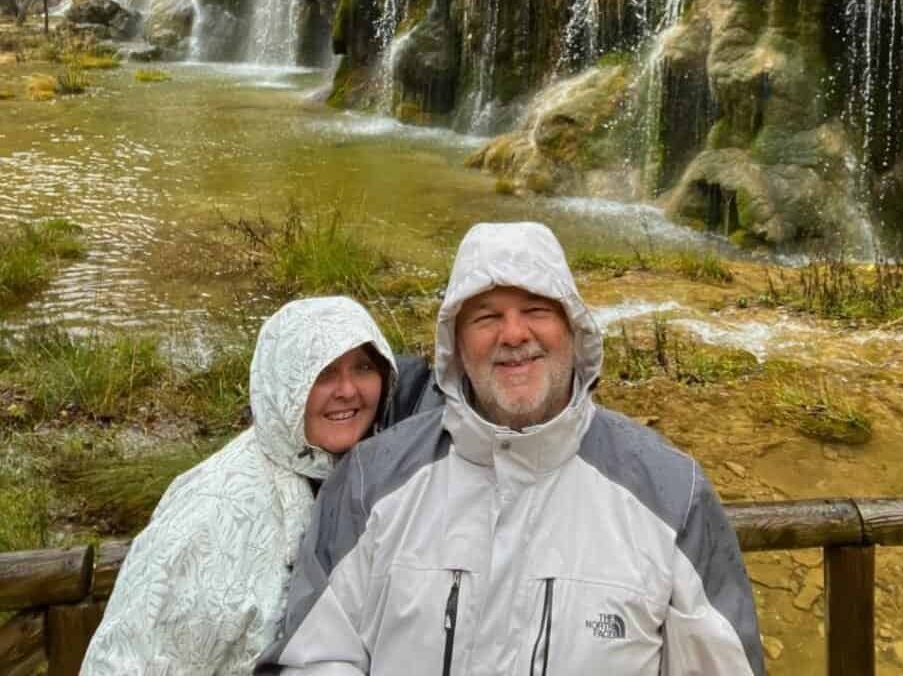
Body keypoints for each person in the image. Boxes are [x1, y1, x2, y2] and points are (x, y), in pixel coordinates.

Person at [257, 222, 764, 675]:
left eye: (537, 310)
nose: (514, 334)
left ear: (575, 330)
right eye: (486, 317)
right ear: (454, 345)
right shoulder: (369, 481)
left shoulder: (673, 493)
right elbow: (314, 656)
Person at [81, 295, 438, 676]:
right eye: (324, 372)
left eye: (363, 367)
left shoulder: (376, 474)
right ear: (284, 383)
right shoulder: (214, 512)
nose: (348, 390)